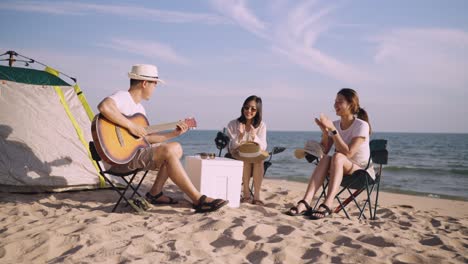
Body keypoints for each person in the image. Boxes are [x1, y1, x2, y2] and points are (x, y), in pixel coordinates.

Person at [97, 64, 228, 213]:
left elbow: (146, 139)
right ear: (145, 83)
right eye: (155, 84)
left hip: (132, 154)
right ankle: (198, 198)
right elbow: (104, 107)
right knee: (168, 150)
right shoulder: (123, 96)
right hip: (119, 158)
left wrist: (174, 133)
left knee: (175, 147)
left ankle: (155, 193)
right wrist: (130, 126)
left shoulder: (140, 110)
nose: (155, 88)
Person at [286, 88, 373, 219]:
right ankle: (306, 202)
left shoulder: (361, 125)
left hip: (361, 171)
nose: (335, 105)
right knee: (326, 158)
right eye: (335, 101)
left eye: (340, 101)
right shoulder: (336, 124)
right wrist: (326, 132)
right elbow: (325, 150)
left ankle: (328, 203)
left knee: (338, 156)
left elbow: (348, 153)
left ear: (351, 104)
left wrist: (333, 130)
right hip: (340, 167)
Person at [226, 95, 267, 205]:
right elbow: (230, 147)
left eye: (253, 109)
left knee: (259, 160)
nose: (249, 111)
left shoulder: (261, 125)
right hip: (237, 155)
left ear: (257, 110)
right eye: (246, 107)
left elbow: (263, 147)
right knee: (245, 159)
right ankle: (246, 194)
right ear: (242, 108)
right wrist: (239, 136)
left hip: (254, 157)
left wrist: (254, 137)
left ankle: (257, 195)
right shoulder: (233, 124)